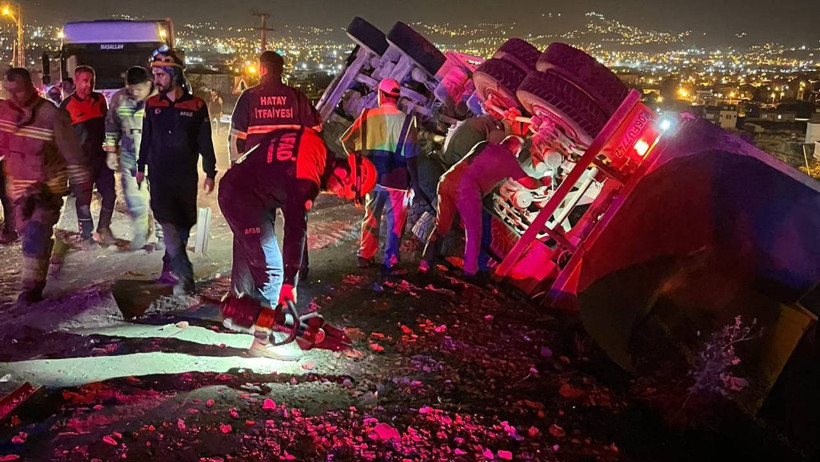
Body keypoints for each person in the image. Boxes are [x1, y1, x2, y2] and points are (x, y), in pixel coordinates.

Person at [218, 127, 365, 359]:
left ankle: (236, 313)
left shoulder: (314, 143)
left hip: (241, 188)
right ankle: (261, 342)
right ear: (343, 173)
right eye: (343, 190)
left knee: (251, 253)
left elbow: (271, 140)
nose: (337, 194)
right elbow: (296, 229)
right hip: (244, 199)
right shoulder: (307, 180)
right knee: (272, 271)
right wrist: (289, 281)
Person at [229, 50, 323, 280]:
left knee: (260, 225)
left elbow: (235, 139)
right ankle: (298, 272)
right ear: (281, 70)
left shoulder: (249, 98)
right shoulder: (297, 98)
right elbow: (317, 132)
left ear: (262, 69)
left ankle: (263, 273)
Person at [0, 68, 91, 304]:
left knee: (35, 236)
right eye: (10, 92)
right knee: (26, 233)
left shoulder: (50, 114)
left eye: (19, 91)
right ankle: (38, 270)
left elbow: (72, 153)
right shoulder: (6, 113)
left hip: (47, 188)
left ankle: (31, 289)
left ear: (30, 86)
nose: (15, 97)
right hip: (19, 190)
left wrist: (81, 183)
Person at [137, 47, 217, 296]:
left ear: (175, 75)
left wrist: (210, 171)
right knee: (167, 224)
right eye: (155, 75)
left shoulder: (196, 105)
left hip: (185, 177)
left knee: (183, 225)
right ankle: (184, 274)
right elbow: (146, 138)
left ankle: (169, 266)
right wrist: (140, 167)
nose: (157, 81)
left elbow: (205, 140)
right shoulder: (152, 105)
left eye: (161, 75)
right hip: (159, 175)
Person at [419, 136, 549, 279]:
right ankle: (470, 272)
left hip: (447, 180)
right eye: (518, 152)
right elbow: (528, 183)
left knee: (441, 227)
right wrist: (542, 182)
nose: (518, 155)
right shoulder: (508, 158)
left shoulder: (484, 144)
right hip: (467, 189)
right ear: (515, 148)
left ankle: (425, 263)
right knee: (474, 232)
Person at [340, 78, 431, 274]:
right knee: (395, 222)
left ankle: (365, 255)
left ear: (381, 95)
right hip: (398, 182)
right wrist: (414, 184)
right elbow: (411, 157)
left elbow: (346, 141)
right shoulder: (407, 121)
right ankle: (391, 260)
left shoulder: (366, 116)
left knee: (371, 217)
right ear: (397, 98)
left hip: (372, 179)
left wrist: (360, 164)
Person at [104, 66, 164, 252]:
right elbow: (111, 126)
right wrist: (111, 151)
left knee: (161, 197)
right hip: (130, 154)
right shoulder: (119, 99)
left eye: (139, 89)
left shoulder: (162, 100)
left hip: (157, 155)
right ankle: (141, 232)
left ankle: (162, 235)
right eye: (131, 89)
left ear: (149, 84)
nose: (135, 93)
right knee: (133, 196)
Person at [60, 65, 116, 248]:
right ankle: (86, 235)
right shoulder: (67, 107)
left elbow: (107, 125)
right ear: (75, 81)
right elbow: (61, 138)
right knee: (83, 200)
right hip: (79, 163)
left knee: (109, 195)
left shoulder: (100, 100)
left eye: (91, 81)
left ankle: (103, 229)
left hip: (101, 159)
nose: (88, 85)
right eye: (84, 81)